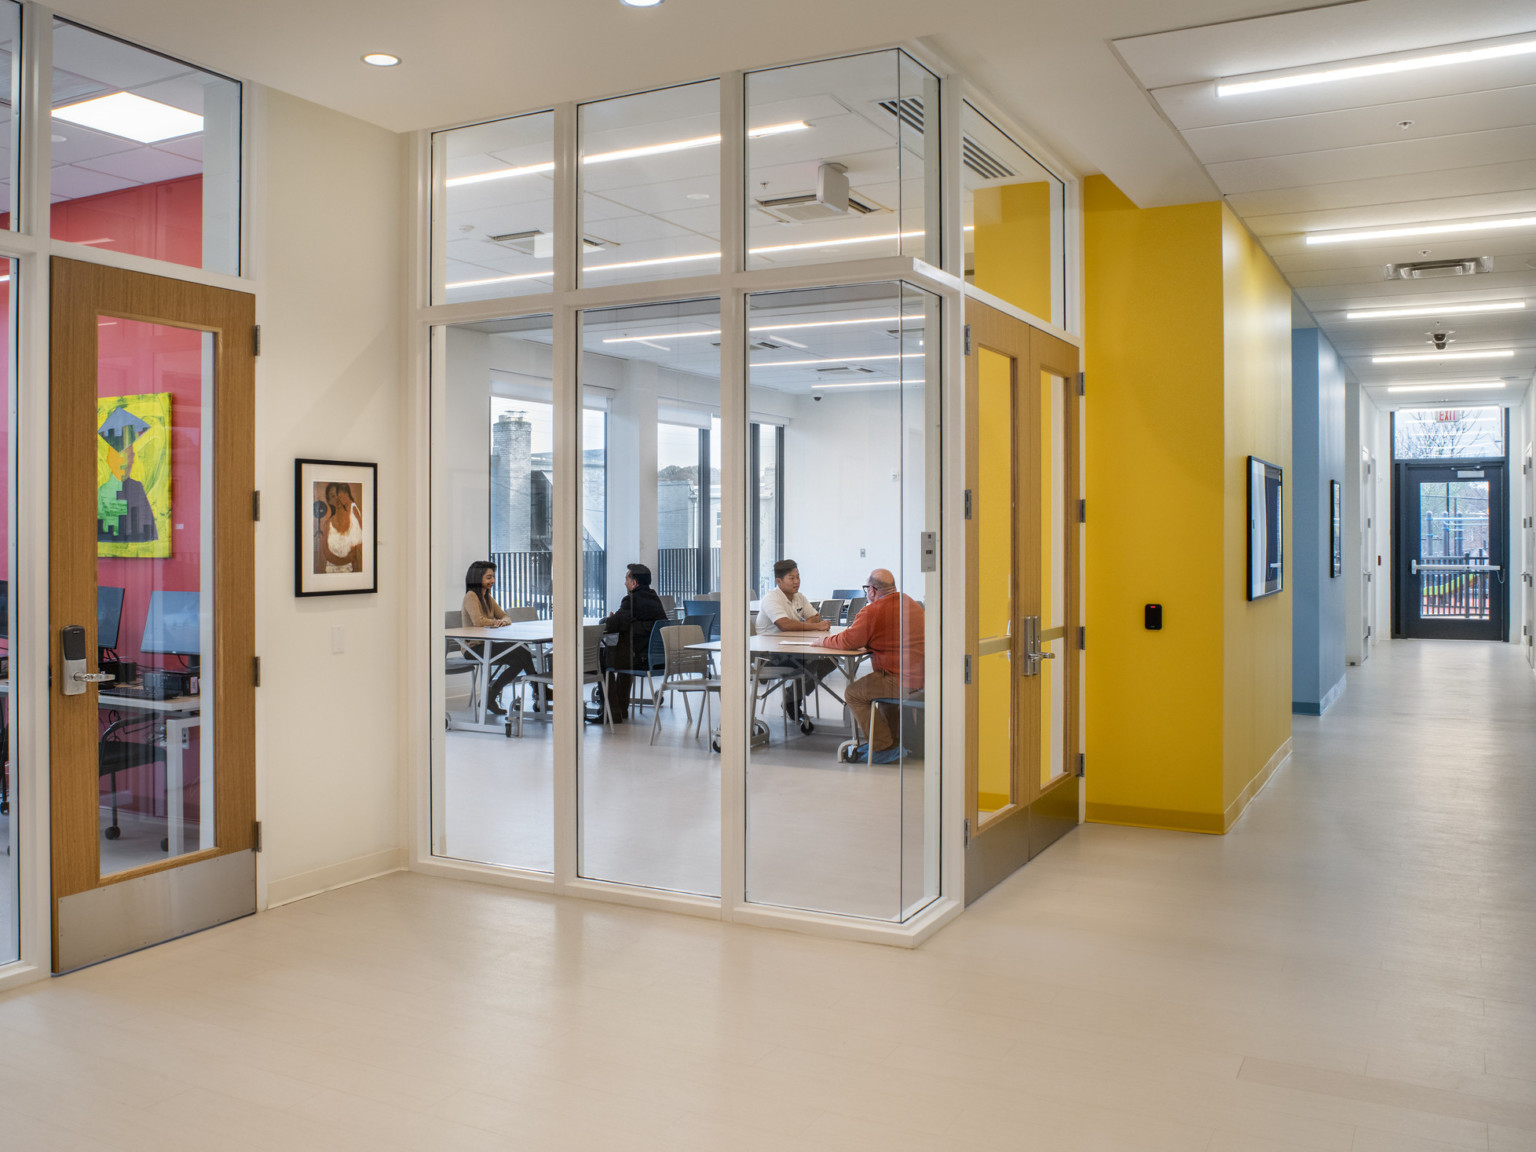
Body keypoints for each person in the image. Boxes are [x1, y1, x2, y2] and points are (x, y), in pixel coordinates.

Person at [822, 568, 924, 764]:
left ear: (872, 590)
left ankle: (882, 746)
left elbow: (848, 640)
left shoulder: (873, 610)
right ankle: (893, 742)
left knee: (854, 693)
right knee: (880, 691)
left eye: (866, 588)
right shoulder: (910, 603)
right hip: (922, 676)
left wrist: (822, 642)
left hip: (900, 678)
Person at [756, 559, 833, 720]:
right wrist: (812, 626)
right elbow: (784, 625)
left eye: (798, 577)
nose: (797, 581)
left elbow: (815, 617)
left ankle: (791, 698)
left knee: (830, 661)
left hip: (794, 649)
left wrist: (800, 625)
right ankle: (793, 701)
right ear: (779, 581)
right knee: (812, 660)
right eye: (792, 578)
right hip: (771, 655)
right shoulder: (771, 598)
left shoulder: (799, 597)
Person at [460, 560, 535, 716]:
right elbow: (478, 621)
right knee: (522, 650)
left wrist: (502, 621)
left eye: (493, 577)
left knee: (520, 656)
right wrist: (497, 622)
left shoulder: (487, 597)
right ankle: (539, 691)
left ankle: (490, 697)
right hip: (473, 648)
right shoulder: (471, 596)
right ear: (477, 577)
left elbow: (506, 616)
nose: (492, 581)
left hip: (487, 645)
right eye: (489, 577)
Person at [601, 563, 668, 721]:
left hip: (640, 659)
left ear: (634, 583)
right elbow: (626, 622)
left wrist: (608, 619)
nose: (625, 583)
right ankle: (620, 708)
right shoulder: (654, 598)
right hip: (657, 659)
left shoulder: (631, 600)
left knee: (602, 660)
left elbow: (611, 625)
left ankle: (611, 713)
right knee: (623, 658)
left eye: (626, 579)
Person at [316, 482, 364, 573]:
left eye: (338, 494)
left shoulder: (352, 520)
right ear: (329, 501)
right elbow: (326, 553)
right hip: (330, 573)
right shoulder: (327, 524)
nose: (337, 499)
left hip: (350, 573)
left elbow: (355, 553)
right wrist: (344, 560)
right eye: (333, 496)